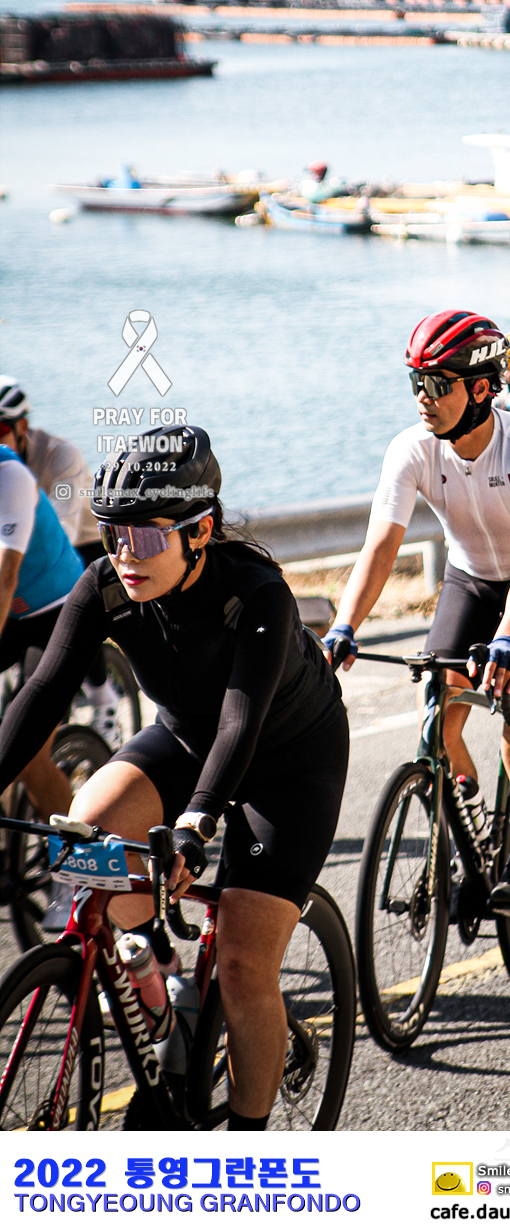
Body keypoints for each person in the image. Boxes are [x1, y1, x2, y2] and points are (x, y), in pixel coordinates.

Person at [0, 426, 349, 1129]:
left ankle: (249, 1150)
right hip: (188, 738)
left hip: (287, 760)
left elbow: (239, 723)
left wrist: (196, 821)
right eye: (112, 532)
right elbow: (41, 693)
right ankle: (166, 997)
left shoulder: (257, 595)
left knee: (245, 962)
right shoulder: (105, 583)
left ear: (201, 531)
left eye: (146, 536)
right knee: (84, 839)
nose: (126, 553)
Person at [327, 311, 510, 909]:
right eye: (416, 382)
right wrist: (344, 625)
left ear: (481, 388)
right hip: (471, 578)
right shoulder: (411, 449)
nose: (423, 396)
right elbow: (380, 547)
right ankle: (470, 819)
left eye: (438, 383)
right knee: (437, 715)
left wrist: (509, 639)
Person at [0, 377, 122, 744]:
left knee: (79, 596)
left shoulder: (59, 455)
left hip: (82, 543)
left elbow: (63, 529)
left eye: (0, 429)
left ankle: (103, 699)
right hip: (25, 550)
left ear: (22, 426)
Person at [0, 434, 83, 825]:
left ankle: (77, 857)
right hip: (13, 615)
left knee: (28, 756)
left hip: (58, 612)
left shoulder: (9, 476)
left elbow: (6, 575)